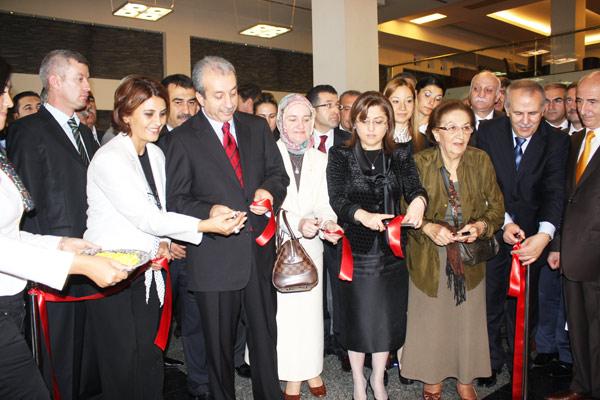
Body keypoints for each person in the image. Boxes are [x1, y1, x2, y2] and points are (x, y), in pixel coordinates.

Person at [84, 75, 246, 400]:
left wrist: (168, 242)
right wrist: (204, 225)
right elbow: (145, 216)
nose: (158, 122)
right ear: (125, 114)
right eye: (148, 114)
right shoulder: (110, 158)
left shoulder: (156, 155)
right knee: (121, 362)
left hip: (147, 269)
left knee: (149, 355)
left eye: (161, 113)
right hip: (111, 270)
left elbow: (159, 208)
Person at [0, 56, 128, 400]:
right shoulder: (27, 130)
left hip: (79, 251)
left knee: (88, 354)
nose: (88, 87)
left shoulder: (86, 133)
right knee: (57, 357)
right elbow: (27, 206)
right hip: (45, 270)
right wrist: (53, 259)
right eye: (81, 78)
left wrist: (69, 247)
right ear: (55, 80)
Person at [164, 56, 289, 400]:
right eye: (218, 95)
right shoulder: (182, 139)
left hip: (258, 254)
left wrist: (269, 191)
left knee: (265, 341)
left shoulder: (255, 128)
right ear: (200, 98)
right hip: (215, 261)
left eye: (232, 92)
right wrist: (210, 210)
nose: (229, 103)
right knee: (218, 350)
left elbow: (279, 176)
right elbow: (175, 200)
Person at [327, 91, 427, 400]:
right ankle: (358, 379)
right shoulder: (339, 155)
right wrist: (363, 216)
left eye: (379, 121)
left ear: (388, 124)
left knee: (385, 319)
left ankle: (379, 378)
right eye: (365, 121)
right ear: (354, 123)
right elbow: (338, 198)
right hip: (354, 251)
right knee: (358, 318)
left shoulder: (399, 155)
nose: (371, 128)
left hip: (391, 251)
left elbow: (415, 187)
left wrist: (420, 203)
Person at [401, 100, 504, 399]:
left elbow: (497, 207)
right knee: (431, 322)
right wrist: (429, 227)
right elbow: (404, 208)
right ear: (436, 133)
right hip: (429, 256)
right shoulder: (418, 163)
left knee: (467, 322)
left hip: (469, 257)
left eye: (466, 127)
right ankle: (431, 380)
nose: (460, 134)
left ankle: (465, 379)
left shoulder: (480, 160)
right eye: (451, 128)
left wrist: (481, 227)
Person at [477, 79, 569, 387]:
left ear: (544, 110)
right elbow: (482, 184)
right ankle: (489, 362)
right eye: (518, 114)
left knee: (525, 305)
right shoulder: (488, 134)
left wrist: (544, 236)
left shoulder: (556, 141)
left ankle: (519, 360)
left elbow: (555, 191)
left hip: (534, 238)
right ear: (504, 107)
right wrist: (503, 222)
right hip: (493, 230)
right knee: (489, 300)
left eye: (533, 113)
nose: (526, 121)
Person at [274, 93, 343, 399]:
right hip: (279, 245)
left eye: (306, 119)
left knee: (312, 315)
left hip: (312, 244)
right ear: (280, 122)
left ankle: (313, 369)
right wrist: (296, 221)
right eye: (292, 119)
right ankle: (291, 376)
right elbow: (265, 204)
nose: (300, 125)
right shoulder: (268, 155)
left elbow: (325, 204)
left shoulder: (321, 159)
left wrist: (328, 224)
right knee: (287, 315)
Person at [545, 71, 600, 400]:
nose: (583, 108)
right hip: (573, 254)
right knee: (578, 328)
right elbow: (567, 197)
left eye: (593, 101)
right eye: (580, 100)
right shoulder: (576, 142)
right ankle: (581, 386)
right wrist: (558, 244)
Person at [157, 73, 210, 398]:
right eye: (178, 102)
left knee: (194, 322)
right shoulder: (149, 142)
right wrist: (167, 239)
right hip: (159, 249)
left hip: (194, 248)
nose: (187, 109)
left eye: (192, 101)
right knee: (154, 325)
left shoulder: (205, 140)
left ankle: (200, 384)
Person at [384, 76, 427, 153]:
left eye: (408, 101)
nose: (402, 108)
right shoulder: (376, 141)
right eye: (396, 101)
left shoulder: (425, 142)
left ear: (414, 104)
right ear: (385, 103)